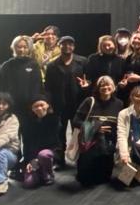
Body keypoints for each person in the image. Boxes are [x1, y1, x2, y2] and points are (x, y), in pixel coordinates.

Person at [44, 35, 87, 167]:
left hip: (78, 105)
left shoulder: (83, 62)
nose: (67, 46)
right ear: (59, 45)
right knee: (59, 133)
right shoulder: (52, 65)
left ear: (73, 47)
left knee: (78, 132)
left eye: (70, 44)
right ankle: (59, 160)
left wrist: (87, 85)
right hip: (59, 105)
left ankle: (79, 158)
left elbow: (89, 81)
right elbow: (48, 88)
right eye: (64, 44)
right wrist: (49, 104)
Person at [73, 76, 124, 186]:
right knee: (86, 179)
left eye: (108, 84)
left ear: (113, 87)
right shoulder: (89, 101)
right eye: (102, 85)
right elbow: (76, 121)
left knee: (104, 179)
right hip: (90, 144)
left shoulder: (119, 104)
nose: (105, 87)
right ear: (97, 88)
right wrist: (95, 127)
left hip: (109, 145)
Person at [0, 36, 44, 123]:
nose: (22, 50)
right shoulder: (7, 65)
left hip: (29, 109)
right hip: (10, 108)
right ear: (14, 48)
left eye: (25, 47)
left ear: (29, 49)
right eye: (19, 47)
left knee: (28, 135)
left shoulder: (34, 65)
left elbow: (38, 87)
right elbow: (0, 87)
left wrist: (35, 104)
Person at [21, 96, 60, 188]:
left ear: (47, 105)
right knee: (28, 183)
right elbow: (26, 144)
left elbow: (53, 142)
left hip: (49, 152)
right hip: (33, 157)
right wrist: (30, 160)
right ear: (32, 109)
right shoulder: (27, 122)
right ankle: (39, 173)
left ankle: (48, 174)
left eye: (41, 105)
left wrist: (37, 160)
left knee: (44, 155)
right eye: (36, 106)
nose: (39, 108)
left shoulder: (54, 119)